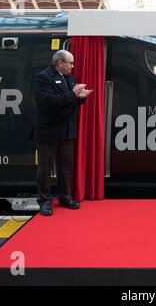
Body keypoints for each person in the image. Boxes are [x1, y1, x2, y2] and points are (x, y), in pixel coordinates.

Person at [33, 50, 93, 216]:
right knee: (45, 169)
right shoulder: (43, 77)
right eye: (70, 63)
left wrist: (81, 97)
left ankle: (64, 196)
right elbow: (49, 102)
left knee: (65, 167)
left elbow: (69, 101)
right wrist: (73, 94)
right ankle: (44, 201)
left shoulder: (69, 78)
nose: (73, 66)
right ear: (60, 63)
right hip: (49, 131)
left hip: (66, 130)